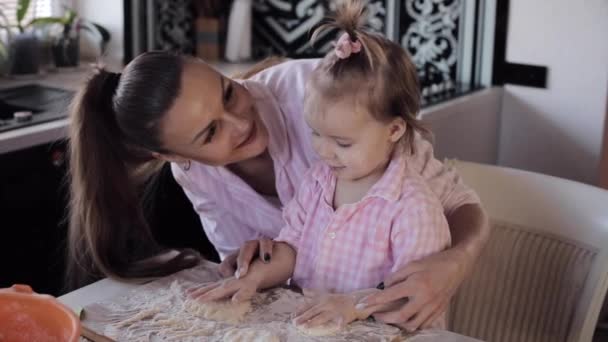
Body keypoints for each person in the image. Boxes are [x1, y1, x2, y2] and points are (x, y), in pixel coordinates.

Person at [67, 6, 489, 332]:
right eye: (210, 132)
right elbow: (279, 254)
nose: (241, 123)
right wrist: (252, 270)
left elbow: (456, 207)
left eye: (229, 93)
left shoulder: (328, 101)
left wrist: (456, 262)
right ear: (175, 158)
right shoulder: (215, 176)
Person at [187, 0, 452, 330]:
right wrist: (254, 278)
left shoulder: (413, 208)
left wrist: (354, 305)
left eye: (342, 143)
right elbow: (290, 250)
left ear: (394, 131)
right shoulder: (317, 183)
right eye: (316, 134)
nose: (325, 152)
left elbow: (412, 294)